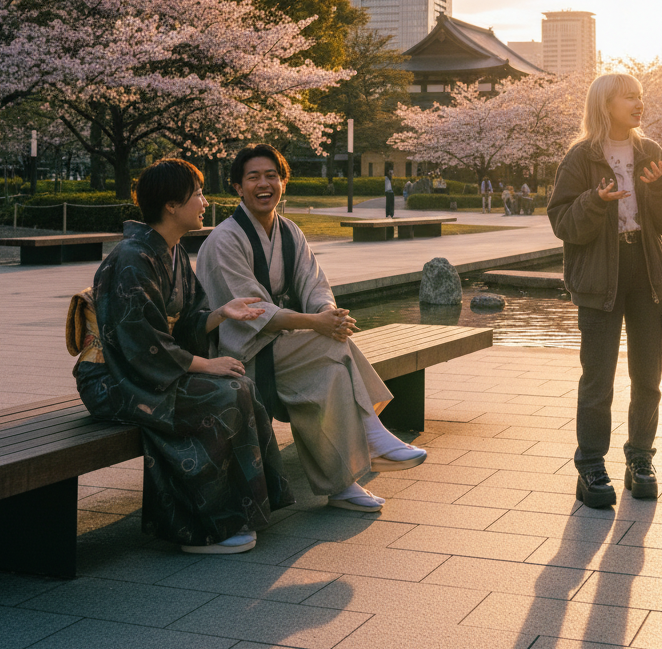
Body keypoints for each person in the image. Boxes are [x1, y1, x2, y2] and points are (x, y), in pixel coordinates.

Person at [72, 159, 294, 554]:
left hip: (142, 371)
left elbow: (186, 319)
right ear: (172, 205)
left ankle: (243, 510)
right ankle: (200, 528)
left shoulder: (171, 253)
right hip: (111, 379)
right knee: (221, 394)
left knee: (241, 386)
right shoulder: (132, 259)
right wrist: (207, 364)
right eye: (198, 194)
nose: (205, 202)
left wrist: (221, 314)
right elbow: (141, 341)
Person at [196, 144, 426, 513]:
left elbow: (315, 284)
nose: (264, 183)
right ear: (238, 187)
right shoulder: (225, 239)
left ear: (283, 182)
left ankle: (343, 483)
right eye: (253, 177)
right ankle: (371, 437)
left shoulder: (289, 232)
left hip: (286, 348)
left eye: (272, 175)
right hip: (239, 354)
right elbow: (253, 312)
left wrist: (329, 314)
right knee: (330, 347)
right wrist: (317, 324)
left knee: (331, 371)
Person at [548, 73, 662, 507]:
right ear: (606, 104)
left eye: (640, 97)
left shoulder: (651, 152)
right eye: (629, 96)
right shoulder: (581, 157)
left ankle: (640, 460)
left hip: (646, 274)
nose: (638, 103)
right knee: (598, 381)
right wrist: (595, 200)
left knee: (648, 378)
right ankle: (591, 466)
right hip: (598, 279)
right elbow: (562, 224)